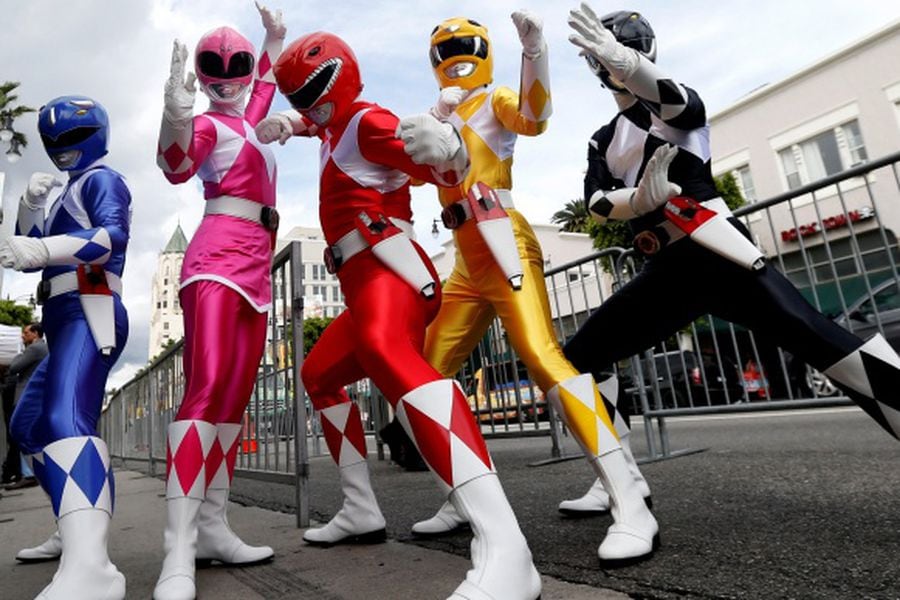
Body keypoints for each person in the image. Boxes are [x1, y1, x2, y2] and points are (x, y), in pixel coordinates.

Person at [558, 3, 900, 512]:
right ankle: (617, 476)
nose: (620, 56)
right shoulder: (604, 138)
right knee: (582, 356)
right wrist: (640, 202)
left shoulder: (674, 103)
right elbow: (597, 203)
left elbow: (682, 108)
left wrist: (625, 63)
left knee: (825, 343)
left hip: (718, 252)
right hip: (666, 268)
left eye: (630, 47)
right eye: (610, 51)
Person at [256, 30, 541, 599]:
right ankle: (360, 508)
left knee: (394, 358)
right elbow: (322, 123)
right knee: (319, 375)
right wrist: (292, 125)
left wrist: (450, 152)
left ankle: (507, 546)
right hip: (362, 285)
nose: (307, 103)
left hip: (391, 272)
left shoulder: (366, 121)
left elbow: (435, 166)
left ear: (341, 74)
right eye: (296, 96)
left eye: (311, 92)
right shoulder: (336, 126)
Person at [404, 10, 659, 567]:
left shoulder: (494, 100)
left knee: (547, 360)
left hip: (503, 239)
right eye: (446, 49)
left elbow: (535, 117)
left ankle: (630, 502)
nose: (456, 55)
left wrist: (534, 53)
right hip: (465, 257)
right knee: (425, 375)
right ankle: (463, 494)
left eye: (467, 43)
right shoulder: (437, 113)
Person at [152, 4, 285, 599]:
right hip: (214, 264)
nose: (230, 74)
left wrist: (274, 37)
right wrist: (175, 118)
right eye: (216, 65)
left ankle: (212, 526)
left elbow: (267, 81)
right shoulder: (208, 126)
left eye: (237, 64)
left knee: (233, 401)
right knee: (205, 392)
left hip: (255, 269)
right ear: (203, 74)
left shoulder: (251, 119)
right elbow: (177, 168)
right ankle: (176, 549)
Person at [0, 95, 130, 600]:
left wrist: (45, 246)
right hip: (62, 316)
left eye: (72, 138)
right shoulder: (67, 192)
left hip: (89, 307)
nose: (62, 150)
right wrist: (32, 207)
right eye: (53, 141)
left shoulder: (102, 179)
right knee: (29, 426)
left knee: (66, 421)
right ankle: (71, 528)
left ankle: (92, 566)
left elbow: (110, 237)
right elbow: (23, 251)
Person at [3, 323, 48, 491]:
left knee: (20, 431)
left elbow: (14, 367)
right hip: (38, 397)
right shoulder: (45, 348)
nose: (23, 335)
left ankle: (29, 473)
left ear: (35, 334)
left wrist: (17, 354)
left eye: (26, 332)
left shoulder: (34, 349)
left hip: (25, 397)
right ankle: (30, 471)